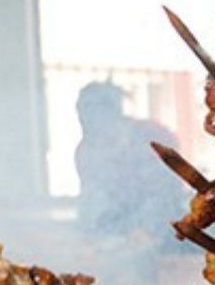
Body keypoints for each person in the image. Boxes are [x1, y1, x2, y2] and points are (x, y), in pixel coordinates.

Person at [73, 81, 186, 240]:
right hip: (115, 236)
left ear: (112, 112)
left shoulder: (152, 136)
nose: (87, 123)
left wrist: (146, 231)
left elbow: (167, 191)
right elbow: (92, 201)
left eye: (94, 113)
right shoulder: (86, 151)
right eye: (83, 115)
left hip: (167, 234)